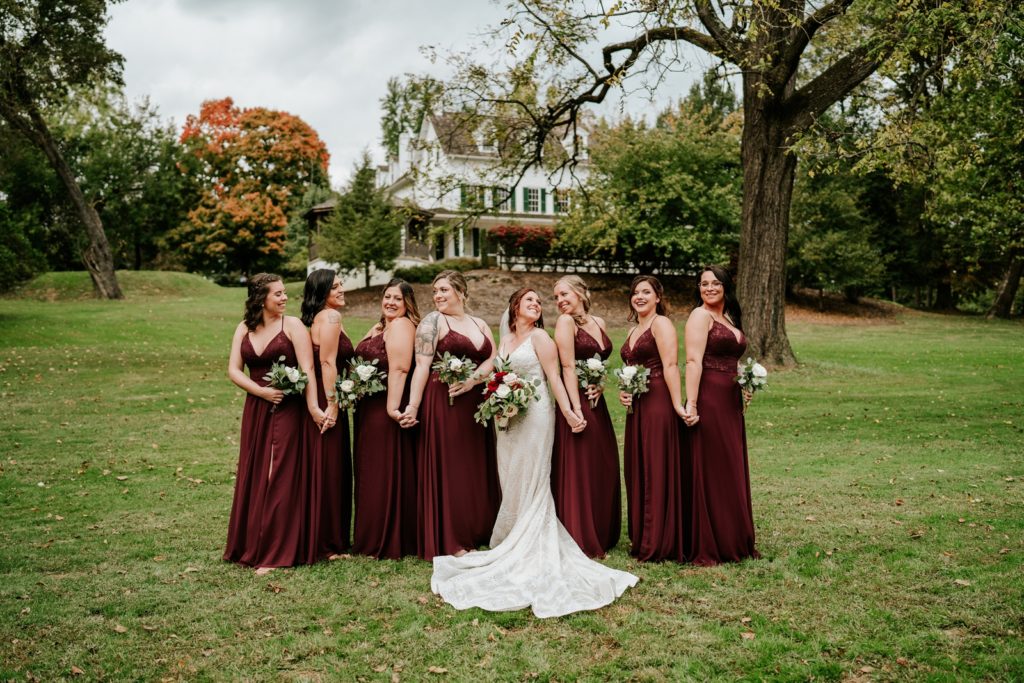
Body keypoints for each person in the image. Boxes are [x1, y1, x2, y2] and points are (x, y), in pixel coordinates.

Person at [431, 288, 637, 618]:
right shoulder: (507, 337)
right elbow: (494, 370)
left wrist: (570, 411)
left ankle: (530, 538)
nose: (537, 305)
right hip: (507, 417)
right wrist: (473, 385)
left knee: (533, 474)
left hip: (538, 413)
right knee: (509, 474)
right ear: (515, 307)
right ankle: (512, 532)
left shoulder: (541, 337)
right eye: (530, 301)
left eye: (539, 302)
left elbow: (554, 376)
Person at [225, 273, 324, 574]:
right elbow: (233, 369)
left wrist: (313, 407)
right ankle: (252, 543)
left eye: (284, 293)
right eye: (277, 294)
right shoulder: (244, 327)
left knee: (276, 473)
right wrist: (261, 392)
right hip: (257, 407)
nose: (284, 298)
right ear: (260, 298)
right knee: (256, 472)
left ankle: (275, 551)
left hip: (288, 410)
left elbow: (307, 368)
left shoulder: (292, 325)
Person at [402, 270, 501, 560]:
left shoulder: (479, 323)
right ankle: (452, 535)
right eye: (435, 291)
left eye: (444, 290)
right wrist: (413, 406)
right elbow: (421, 366)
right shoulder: (433, 321)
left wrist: (473, 380)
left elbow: (491, 358)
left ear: (460, 291)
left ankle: (479, 528)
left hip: (475, 402)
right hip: (444, 401)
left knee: (475, 465)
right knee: (452, 467)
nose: (438, 296)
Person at [682, 265, 759, 565]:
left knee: (730, 464)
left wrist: (745, 379)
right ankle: (713, 540)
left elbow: (729, 356)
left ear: (726, 286)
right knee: (714, 465)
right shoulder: (699, 315)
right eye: (703, 284)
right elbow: (693, 360)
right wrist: (692, 403)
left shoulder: (728, 316)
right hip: (710, 398)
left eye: (715, 283)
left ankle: (733, 537)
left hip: (730, 400)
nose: (709, 288)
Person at [551, 275, 621, 557]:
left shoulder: (599, 323)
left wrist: (601, 385)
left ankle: (603, 527)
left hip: (597, 402)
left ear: (580, 292)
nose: (560, 301)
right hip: (575, 400)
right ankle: (579, 532)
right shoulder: (565, 323)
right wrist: (576, 409)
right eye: (556, 297)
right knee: (579, 463)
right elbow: (567, 367)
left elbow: (601, 366)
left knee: (601, 462)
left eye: (564, 294)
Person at [619, 275, 688, 562]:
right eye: (635, 292)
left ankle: (660, 539)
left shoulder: (661, 324)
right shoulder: (634, 329)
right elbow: (629, 370)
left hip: (658, 400)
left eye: (646, 292)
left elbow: (670, 365)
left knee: (656, 464)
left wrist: (677, 405)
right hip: (637, 405)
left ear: (658, 297)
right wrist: (624, 392)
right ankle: (643, 535)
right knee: (639, 466)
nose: (640, 297)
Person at [351, 279, 421, 559]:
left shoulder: (402, 326)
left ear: (407, 304)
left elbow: (400, 369)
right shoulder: (381, 326)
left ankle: (388, 537)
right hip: (368, 409)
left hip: (387, 409)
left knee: (384, 471)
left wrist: (392, 408)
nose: (391, 302)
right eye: (387, 296)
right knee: (370, 471)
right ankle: (369, 535)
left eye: (397, 299)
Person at [300, 269, 354, 561]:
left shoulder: (320, 318)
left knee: (325, 466)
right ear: (322, 293)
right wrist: (332, 404)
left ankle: (326, 537)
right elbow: (327, 362)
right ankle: (328, 544)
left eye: (341, 284)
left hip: (324, 394)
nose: (341, 289)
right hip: (326, 396)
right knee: (329, 468)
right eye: (335, 287)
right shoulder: (330, 318)